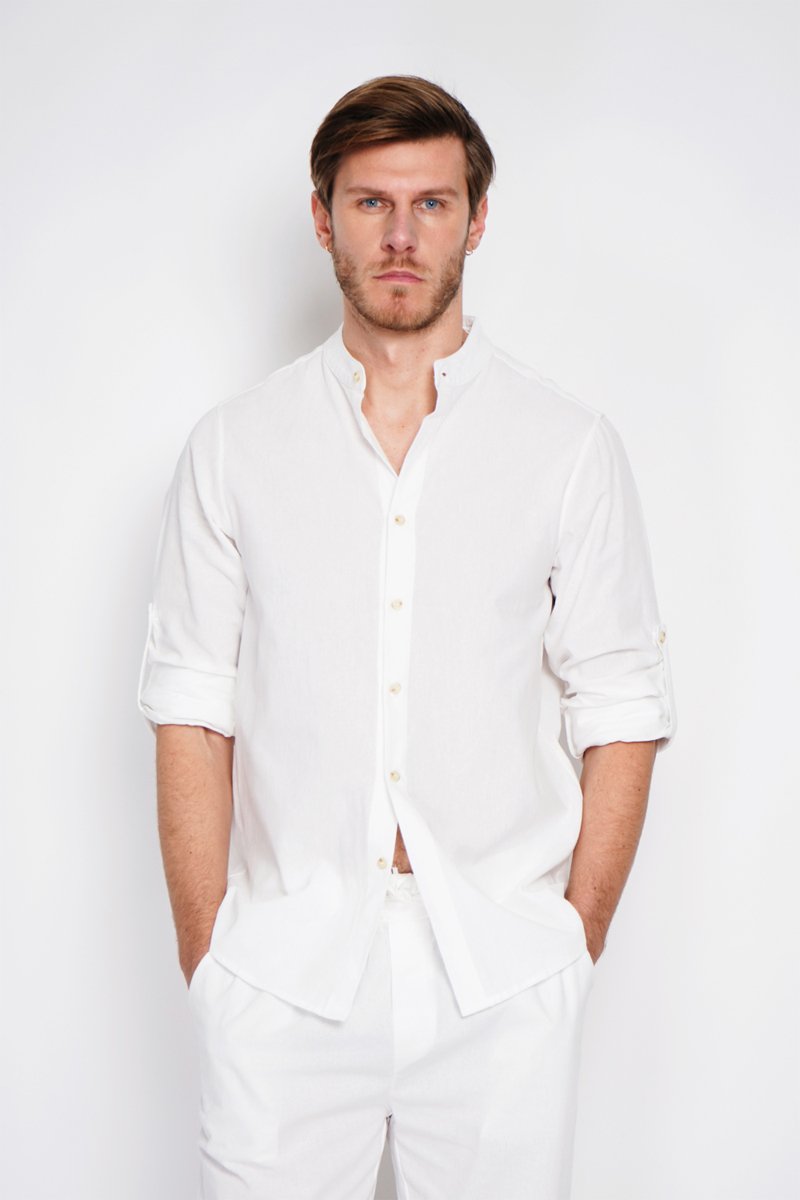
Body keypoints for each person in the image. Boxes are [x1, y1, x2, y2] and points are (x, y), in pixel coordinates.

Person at [137, 74, 675, 1200]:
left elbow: (621, 706)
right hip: (283, 975)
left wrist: (570, 947)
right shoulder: (234, 448)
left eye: (431, 203)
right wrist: (210, 960)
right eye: (371, 202)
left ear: (475, 219)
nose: (399, 235)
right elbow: (191, 705)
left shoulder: (566, 446)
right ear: (322, 216)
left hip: (501, 977)